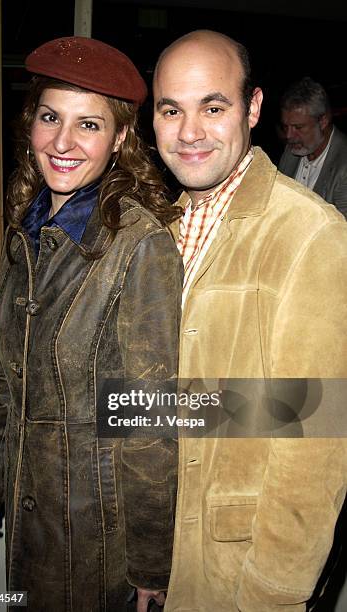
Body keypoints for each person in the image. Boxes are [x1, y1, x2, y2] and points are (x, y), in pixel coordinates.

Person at [0, 36, 182, 612]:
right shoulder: (26, 232)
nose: (62, 142)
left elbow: (150, 421)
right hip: (30, 515)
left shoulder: (138, 244)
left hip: (96, 538)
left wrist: (151, 568)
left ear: (121, 138)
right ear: (30, 122)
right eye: (50, 117)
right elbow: (10, 387)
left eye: (89, 125)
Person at [152, 29, 347, 611]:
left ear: (253, 108)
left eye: (213, 107)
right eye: (171, 110)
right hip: (163, 552)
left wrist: (274, 593)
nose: (190, 131)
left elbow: (317, 439)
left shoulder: (314, 236)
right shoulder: (159, 227)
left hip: (238, 569)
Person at [278, 76, 347, 218]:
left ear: (323, 121)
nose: (289, 135)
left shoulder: (343, 167)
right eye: (286, 127)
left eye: (298, 127)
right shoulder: (293, 148)